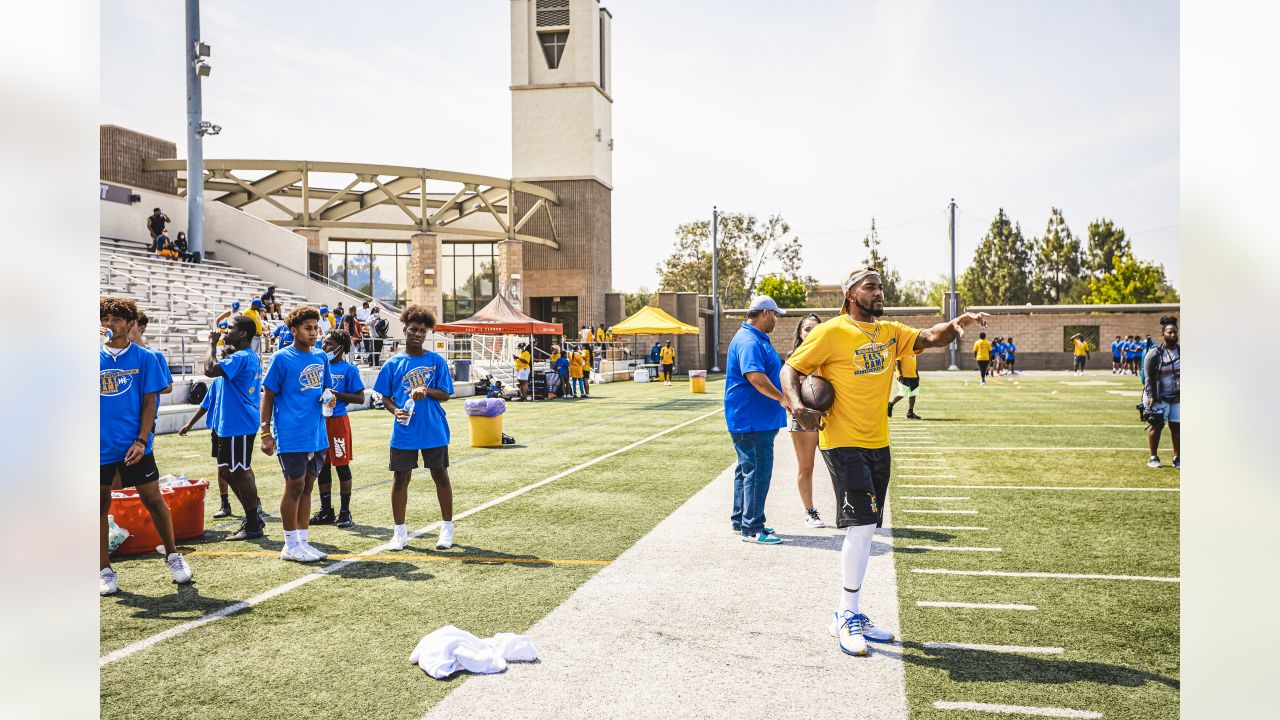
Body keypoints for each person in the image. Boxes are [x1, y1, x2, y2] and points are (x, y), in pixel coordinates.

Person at [783, 267, 988, 657]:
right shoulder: (830, 332)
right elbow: (791, 368)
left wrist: (956, 324)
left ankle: (848, 611)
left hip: (878, 441)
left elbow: (929, 337)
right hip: (842, 441)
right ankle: (847, 615)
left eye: (880, 286)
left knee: (868, 528)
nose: (879, 292)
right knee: (860, 525)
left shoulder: (891, 331)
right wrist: (796, 405)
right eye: (870, 287)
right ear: (850, 293)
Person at [99, 296, 193, 595]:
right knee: (98, 507)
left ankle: (173, 555)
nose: (109, 324)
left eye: (116, 319)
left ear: (130, 324)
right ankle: (104, 570)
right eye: (105, 318)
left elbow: (150, 402)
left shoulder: (145, 358)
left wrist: (141, 440)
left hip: (135, 446)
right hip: (97, 447)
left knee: (154, 501)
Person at [373, 305, 456, 551]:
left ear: (427, 332)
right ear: (405, 329)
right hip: (404, 430)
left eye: (422, 330)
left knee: (440, 476)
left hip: (433, 428)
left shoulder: (436, 360)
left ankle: (447, 528)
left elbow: (446, 394)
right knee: (400, 479)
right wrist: (394, 409)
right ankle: (399, 532)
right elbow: (385, 396)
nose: (418, 334)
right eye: (413, 329)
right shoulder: (393, 363)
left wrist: (427, 390)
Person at [261, 306, 332, 562]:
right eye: (308, 328)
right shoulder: (282, 358)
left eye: (316, 328)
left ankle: (303, 541)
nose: (314, 333)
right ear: (293, 331)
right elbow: (267, 395)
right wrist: (265, 433)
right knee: (294, 487)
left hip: (317, 433)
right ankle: (289, 544)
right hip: (291, 434)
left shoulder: (321, 357)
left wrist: (328, 397)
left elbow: (325, 389)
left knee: (307, 488)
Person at [724, 295, 790, 545]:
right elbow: (755, 376)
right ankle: (753, 527)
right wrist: (782, 398)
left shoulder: (754, 338)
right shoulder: (750, 340)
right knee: (758, 471)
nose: (776, 320)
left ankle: (742, 519)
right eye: (774, 315)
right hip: (752, 419)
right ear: (764, 313)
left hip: (753, 417)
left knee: (746, 470)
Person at [202, 315, 268, 540]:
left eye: (230, 328)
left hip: (238, 423)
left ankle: (252, 523)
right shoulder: (247, 356)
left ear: (242, 334)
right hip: (230, 423)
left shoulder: (241, 356)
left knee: (239, 471)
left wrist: (212, 345)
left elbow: (210, 370)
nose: (225, 331)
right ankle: (253, 518)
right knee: (226, 471)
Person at [310, 330, 366, 528]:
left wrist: (336, 394)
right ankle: (326, 511)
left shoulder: (348, 369)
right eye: (323, 344)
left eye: (328, 344)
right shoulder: (316, 366)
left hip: (338, 422)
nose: (324, 348)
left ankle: (345, 511)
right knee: (322, 467)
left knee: (341, 466)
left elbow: (360, 397)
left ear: (339, 348)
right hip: (320, 422)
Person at [180, 360, 235, 518]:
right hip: (218, 429)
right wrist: (190, 424)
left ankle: (254, 502)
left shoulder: (237, 381)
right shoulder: (217, 381)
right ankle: (225, 503)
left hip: (234, 429)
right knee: (222, 467)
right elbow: (206, 404)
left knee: (242, 467)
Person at [786, 313, 826, 529]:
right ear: (800, 334)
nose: (811, 332)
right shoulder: (794, 357)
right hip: (803, 418)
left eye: (815, 328)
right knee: (806, 466)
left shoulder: (830, 354)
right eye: (807, 329)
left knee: (838, 466)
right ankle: (810, 511)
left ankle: (847, 509)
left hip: (830, 417)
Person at [1143, 317, 1180, 469]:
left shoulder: (1183, 351)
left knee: (1177, 428)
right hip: (1160, 397)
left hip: (1178, 397)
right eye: (1170, 332)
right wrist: (1151, 395)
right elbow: (1148, 377)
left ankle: (1177, 457)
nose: (1173, 335)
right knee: (1157, 426)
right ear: (1163, 334)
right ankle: (1153, 457)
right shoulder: (1155, 353)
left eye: (1175, 332)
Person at [131, 312, 173, 396]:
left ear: (141, 327)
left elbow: (168, 387)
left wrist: (140, 391)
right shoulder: (119, 355)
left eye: (131, 324)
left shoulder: (156, 355)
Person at [887, 344, 922, 420]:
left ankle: (910, 413)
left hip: (913, 376)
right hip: (904, 376)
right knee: (903, 392)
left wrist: (917, 374)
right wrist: (899, 373)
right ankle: (890, 405)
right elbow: (897, 362)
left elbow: (914, 364)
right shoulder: (902, 351)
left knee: (913, 394)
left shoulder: (914, 352)